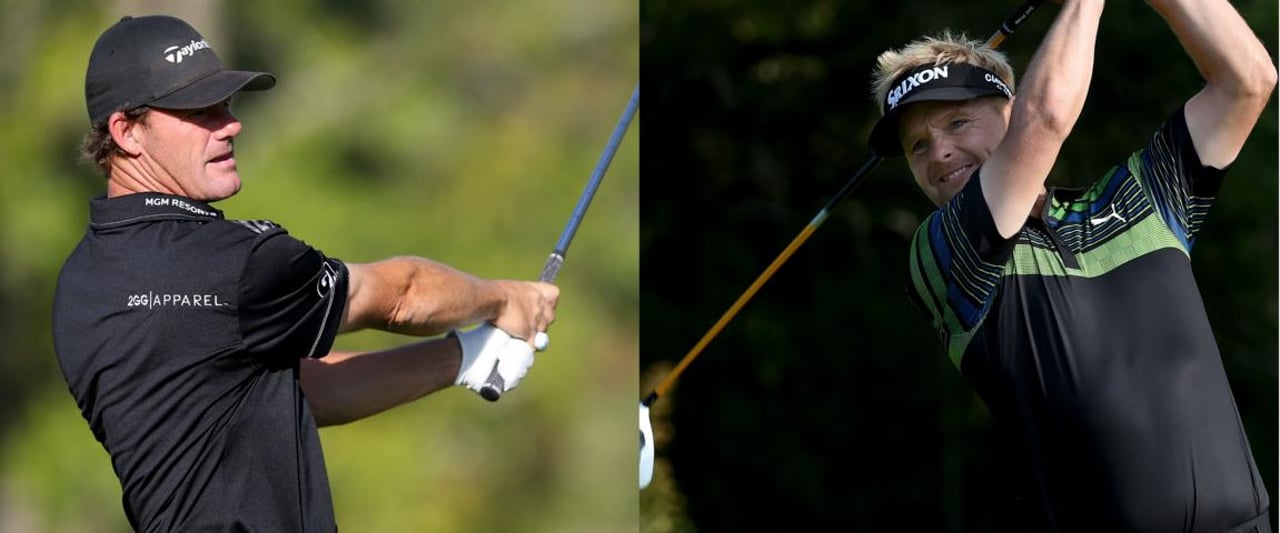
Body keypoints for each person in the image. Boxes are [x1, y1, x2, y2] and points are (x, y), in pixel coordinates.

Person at [51, 14, 559, 531]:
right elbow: (402, 296)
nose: (231, 124)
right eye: (199, 111)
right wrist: (505, 300)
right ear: (127, 132)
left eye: (225, 104)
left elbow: (285, 394)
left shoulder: (79, 286)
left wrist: (463, 357)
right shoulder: (239, 261)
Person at [869, 0, 1275, 530]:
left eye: (958, 122)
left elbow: (1248, 81)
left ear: (1009, 110)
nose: (939, 153)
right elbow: (1046, 119)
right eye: (918, 146)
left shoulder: (1141, 200)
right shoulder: (943, 253)